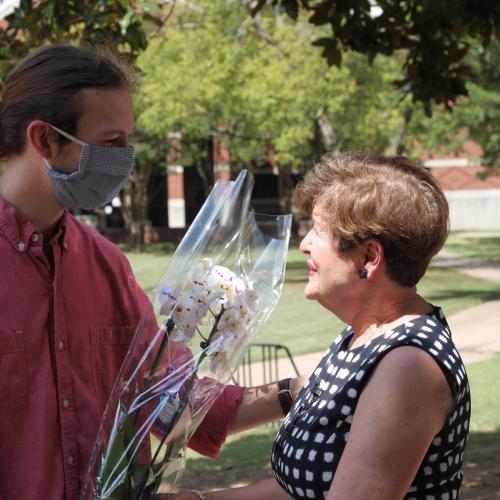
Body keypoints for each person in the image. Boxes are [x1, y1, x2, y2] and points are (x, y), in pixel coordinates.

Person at [0, 45, 305, 500]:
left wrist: (296, 392)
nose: (127, 157)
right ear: (45, 139)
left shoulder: (105, 265)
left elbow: (170, 402)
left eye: (128, 138)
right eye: (111, 142)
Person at [178, 152, 471, 499]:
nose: (304, 245)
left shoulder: (407, 366)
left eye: (318, 231)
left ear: (369, 257)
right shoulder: (362, 337)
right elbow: (304, 490)